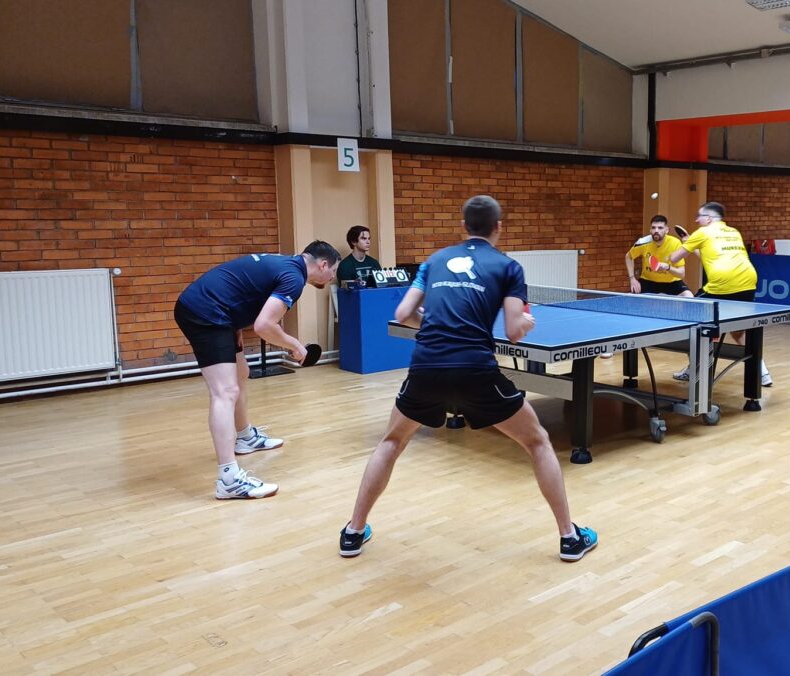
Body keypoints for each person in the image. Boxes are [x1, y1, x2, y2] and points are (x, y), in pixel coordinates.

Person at [339, 195, 597, 562]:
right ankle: (570, 539)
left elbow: (402, 313)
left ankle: (353, 532)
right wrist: (526, 322)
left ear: (464, 226)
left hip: (427, 366)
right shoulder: (508, 267)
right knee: (538, 441)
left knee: (392, 441)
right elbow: (513, 331)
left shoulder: (435, 260)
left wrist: (437, 326)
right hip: (476, 370)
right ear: (498, 227)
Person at [174, 241, 340, 499]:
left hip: (217, 311)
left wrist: (236, 325)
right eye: (333, 272)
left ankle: (244, 437)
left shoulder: (286, 265)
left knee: (241, 373)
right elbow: (264, 326)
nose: (332, 278)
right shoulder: (294, 279)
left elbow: (244, 290)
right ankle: (229, 479)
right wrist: (295, 345)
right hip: (206, 312)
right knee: (224, 392)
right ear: (323, 265)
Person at [667, 201, 773, 387]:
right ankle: (762, 373)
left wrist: (686, 245)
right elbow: (710, 257)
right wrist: (693, 245)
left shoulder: (702, 232)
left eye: (699, 216)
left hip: (721, 286)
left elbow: (674, 258)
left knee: (692, 324)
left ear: (709, 218)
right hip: (748, 283)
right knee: (738, 332)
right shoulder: (734, 232)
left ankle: (696, 369)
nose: (696, 220)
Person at [626, 215, 693, 297]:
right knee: (629, 297)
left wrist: (668, 268)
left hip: (671, 282)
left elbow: (681, 274)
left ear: (666, 230)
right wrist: (632, 278)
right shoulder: (642, 242)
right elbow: (628, 257)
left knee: (689, 296)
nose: (656, 230)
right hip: (648, 281)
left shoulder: (675, 243)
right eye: (653, 228)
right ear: (650, 230)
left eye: (660, 228)